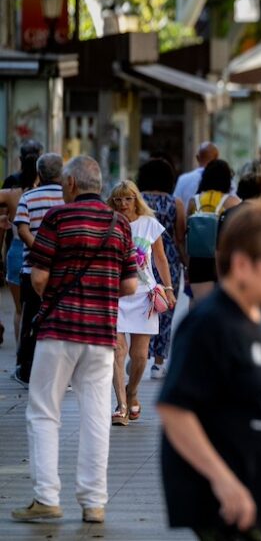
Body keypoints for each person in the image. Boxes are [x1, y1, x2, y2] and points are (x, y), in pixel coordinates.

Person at [158, 200, 261, 538]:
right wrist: (223, 481)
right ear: (241, 264)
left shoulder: (250, 318)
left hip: (250, 491)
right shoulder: (209, 324)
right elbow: (175, 410)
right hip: (221, 498)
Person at [12, 156, 137, 524]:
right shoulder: (119, 225)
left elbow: (38, 278)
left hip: (59, 330)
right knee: (97, 415)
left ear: (70, 184)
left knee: (44, 411)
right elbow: (129, 284)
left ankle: (46, 497)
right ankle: (94, 502)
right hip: (101, 334)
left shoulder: (57, 219)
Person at [106, 180, 172, 425]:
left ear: (136, 200)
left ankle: (132, 390)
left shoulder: (149, 224)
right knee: (117, 351)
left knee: (140, 355)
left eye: (128, 199)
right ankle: (121, 405)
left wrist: (168, 288)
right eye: (118, 199)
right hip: (114, 294)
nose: (123, 204)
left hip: (144, 295)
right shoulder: (108, 223)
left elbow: (161, 259)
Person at [14, 153, 65, 384]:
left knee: (31, 319)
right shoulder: (69, 197)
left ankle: (26, 370)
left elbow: (23, 231)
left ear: (39, 172)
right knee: (62, 318)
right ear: (61, 172)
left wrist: (42, 250)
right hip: (64, 270)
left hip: (31, 268)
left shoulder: (28, 197)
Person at [138, 159, 187, 380]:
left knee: (142, 308)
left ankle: (139, 352)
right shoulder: (175, 203)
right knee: (165, 310)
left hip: (142, 258)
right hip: (169, 260)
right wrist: (186, 261)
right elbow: (179, 237)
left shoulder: (137, 201)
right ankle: (159, 362)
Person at [3, 140, 42, 351]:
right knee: (40, 307)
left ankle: (20, 356)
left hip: (16, 250)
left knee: (20, 310)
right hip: (42, 255)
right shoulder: (44, 194)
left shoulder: (12, 193)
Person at [186, 160, 241, 304]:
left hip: (198, 260)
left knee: (199, 306)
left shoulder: (194, 201)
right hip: (223, 258)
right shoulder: (233, 202)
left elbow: (186, 231)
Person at [173, 142, 218, 213]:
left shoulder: (183, 179)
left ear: (197, 158)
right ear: (217, 159)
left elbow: (175, 206)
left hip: (189, 223)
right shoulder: (225, 181)